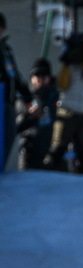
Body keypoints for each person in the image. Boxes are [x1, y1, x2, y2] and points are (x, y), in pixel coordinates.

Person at [44, 32, 83, 173]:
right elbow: (62, 85)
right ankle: (49, 174)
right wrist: (67, 62)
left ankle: (82, 177)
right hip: (68, 110)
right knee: (59, 145)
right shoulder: (71, 66)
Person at [0, 12, 33, 168]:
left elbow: (14, 76)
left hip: (7, 101)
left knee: (8, 135)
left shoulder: (6, 50)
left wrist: (27, 97)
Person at [16, 58, 59, 170]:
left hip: (52, 153)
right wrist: (30, 116)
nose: (39, 80)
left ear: (49, 78)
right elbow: (15, 127)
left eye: (43, 76)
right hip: (29, 152)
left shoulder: (57, 97)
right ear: (31, 78)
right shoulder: (25, 99)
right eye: (36, 76)